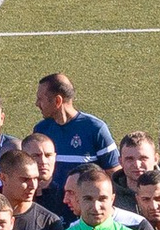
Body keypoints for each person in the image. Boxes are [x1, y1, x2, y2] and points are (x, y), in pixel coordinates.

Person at [33, 73, 118, 203]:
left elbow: (114, 174)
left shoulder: (95, 129)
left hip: (85, 209)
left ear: (57, 101)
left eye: (40, 99)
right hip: (50, 207)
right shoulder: (41, 130)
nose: (37, 104)